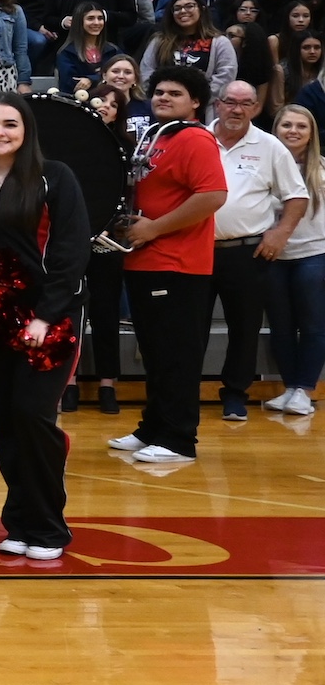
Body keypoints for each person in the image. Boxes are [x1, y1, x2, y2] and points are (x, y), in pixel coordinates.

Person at [0, 98, 91, 559]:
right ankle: (20, 521)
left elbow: (71, 251)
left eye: (9, 124)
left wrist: (45, 315)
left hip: (51, 317)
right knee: (5, 422)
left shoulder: (55, 177)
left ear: (26, 129)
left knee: (34, 415)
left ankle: (50, 527)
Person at [110, 66, 230, 465]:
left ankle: (180, 440)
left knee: (176, 355)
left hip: (178, 264)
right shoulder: (156, 137)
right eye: (159, 91)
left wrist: (154, 229)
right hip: (145, 261)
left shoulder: (196, 139)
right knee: (156, 352)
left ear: (195, 102)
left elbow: (213, 195)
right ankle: (153, 428)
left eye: (175, 93)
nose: (163, 97)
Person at [202, 79, 309, 423]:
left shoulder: (269, 146)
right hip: (195, 250)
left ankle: (235, 394)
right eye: (230, 102)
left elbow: (297, 196)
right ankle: (183, 392)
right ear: (217, 104)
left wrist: (280, 234)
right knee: (189, 327)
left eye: (245, 103)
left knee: (244, 328)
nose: (237, 109)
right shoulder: (197, 138)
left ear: (255, 108)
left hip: (246, 253)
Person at [264, 104, 325, 418]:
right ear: (276, 129)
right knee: (281, 326)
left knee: (313, 325)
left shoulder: (322, 169)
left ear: (311, 133)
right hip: (274, 257)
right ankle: (289, 388)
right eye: (287, 125)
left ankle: (305, 388)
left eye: (301, 126)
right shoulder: (263, 166)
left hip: (314, 255)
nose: (293, 131)